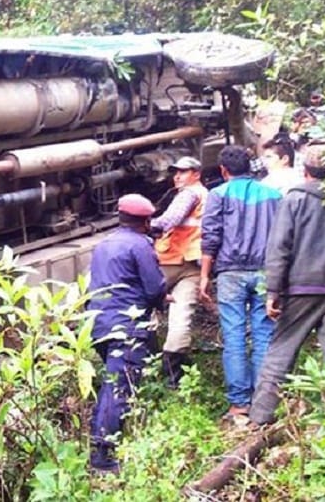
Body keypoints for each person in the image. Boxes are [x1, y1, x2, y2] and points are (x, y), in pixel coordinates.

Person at [249, 145, 325, 425]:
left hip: (301, 287)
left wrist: (273, 290)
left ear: (305, 170)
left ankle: (261, 417)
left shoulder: (295, 199)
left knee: (282, 351)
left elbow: (279, 247)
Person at [200, 145, 282, 418]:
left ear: (223, 170)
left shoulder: (218, 194)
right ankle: (262, 402)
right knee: (264, 335)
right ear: (250, 167)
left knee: (234, 336)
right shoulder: (274, 195)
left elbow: (211, 236)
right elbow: (282, 238)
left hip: (230, 273)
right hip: (265, 273)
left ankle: (239, 403)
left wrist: (204, 276)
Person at [87, 193, 167, 472]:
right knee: (119, 386)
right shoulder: (140, 245)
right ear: (146, 221)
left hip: (99, 324)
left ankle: (103, 434)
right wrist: (162, 301)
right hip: (126, 325)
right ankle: (102, 455)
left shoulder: (103, 244)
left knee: (113, 381)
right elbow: (154, 287)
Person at [150, 156, 207, 388]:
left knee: (142, 303)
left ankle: (148, 360)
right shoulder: (207, 195)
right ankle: (174, 376)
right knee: (181, 316)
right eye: (175, 172)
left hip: (170, 261)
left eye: (183, 172)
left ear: (196, 174)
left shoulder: (189, 194)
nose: (177, 177)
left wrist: (146, 225)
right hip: (193, 264)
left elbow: (171, 219)